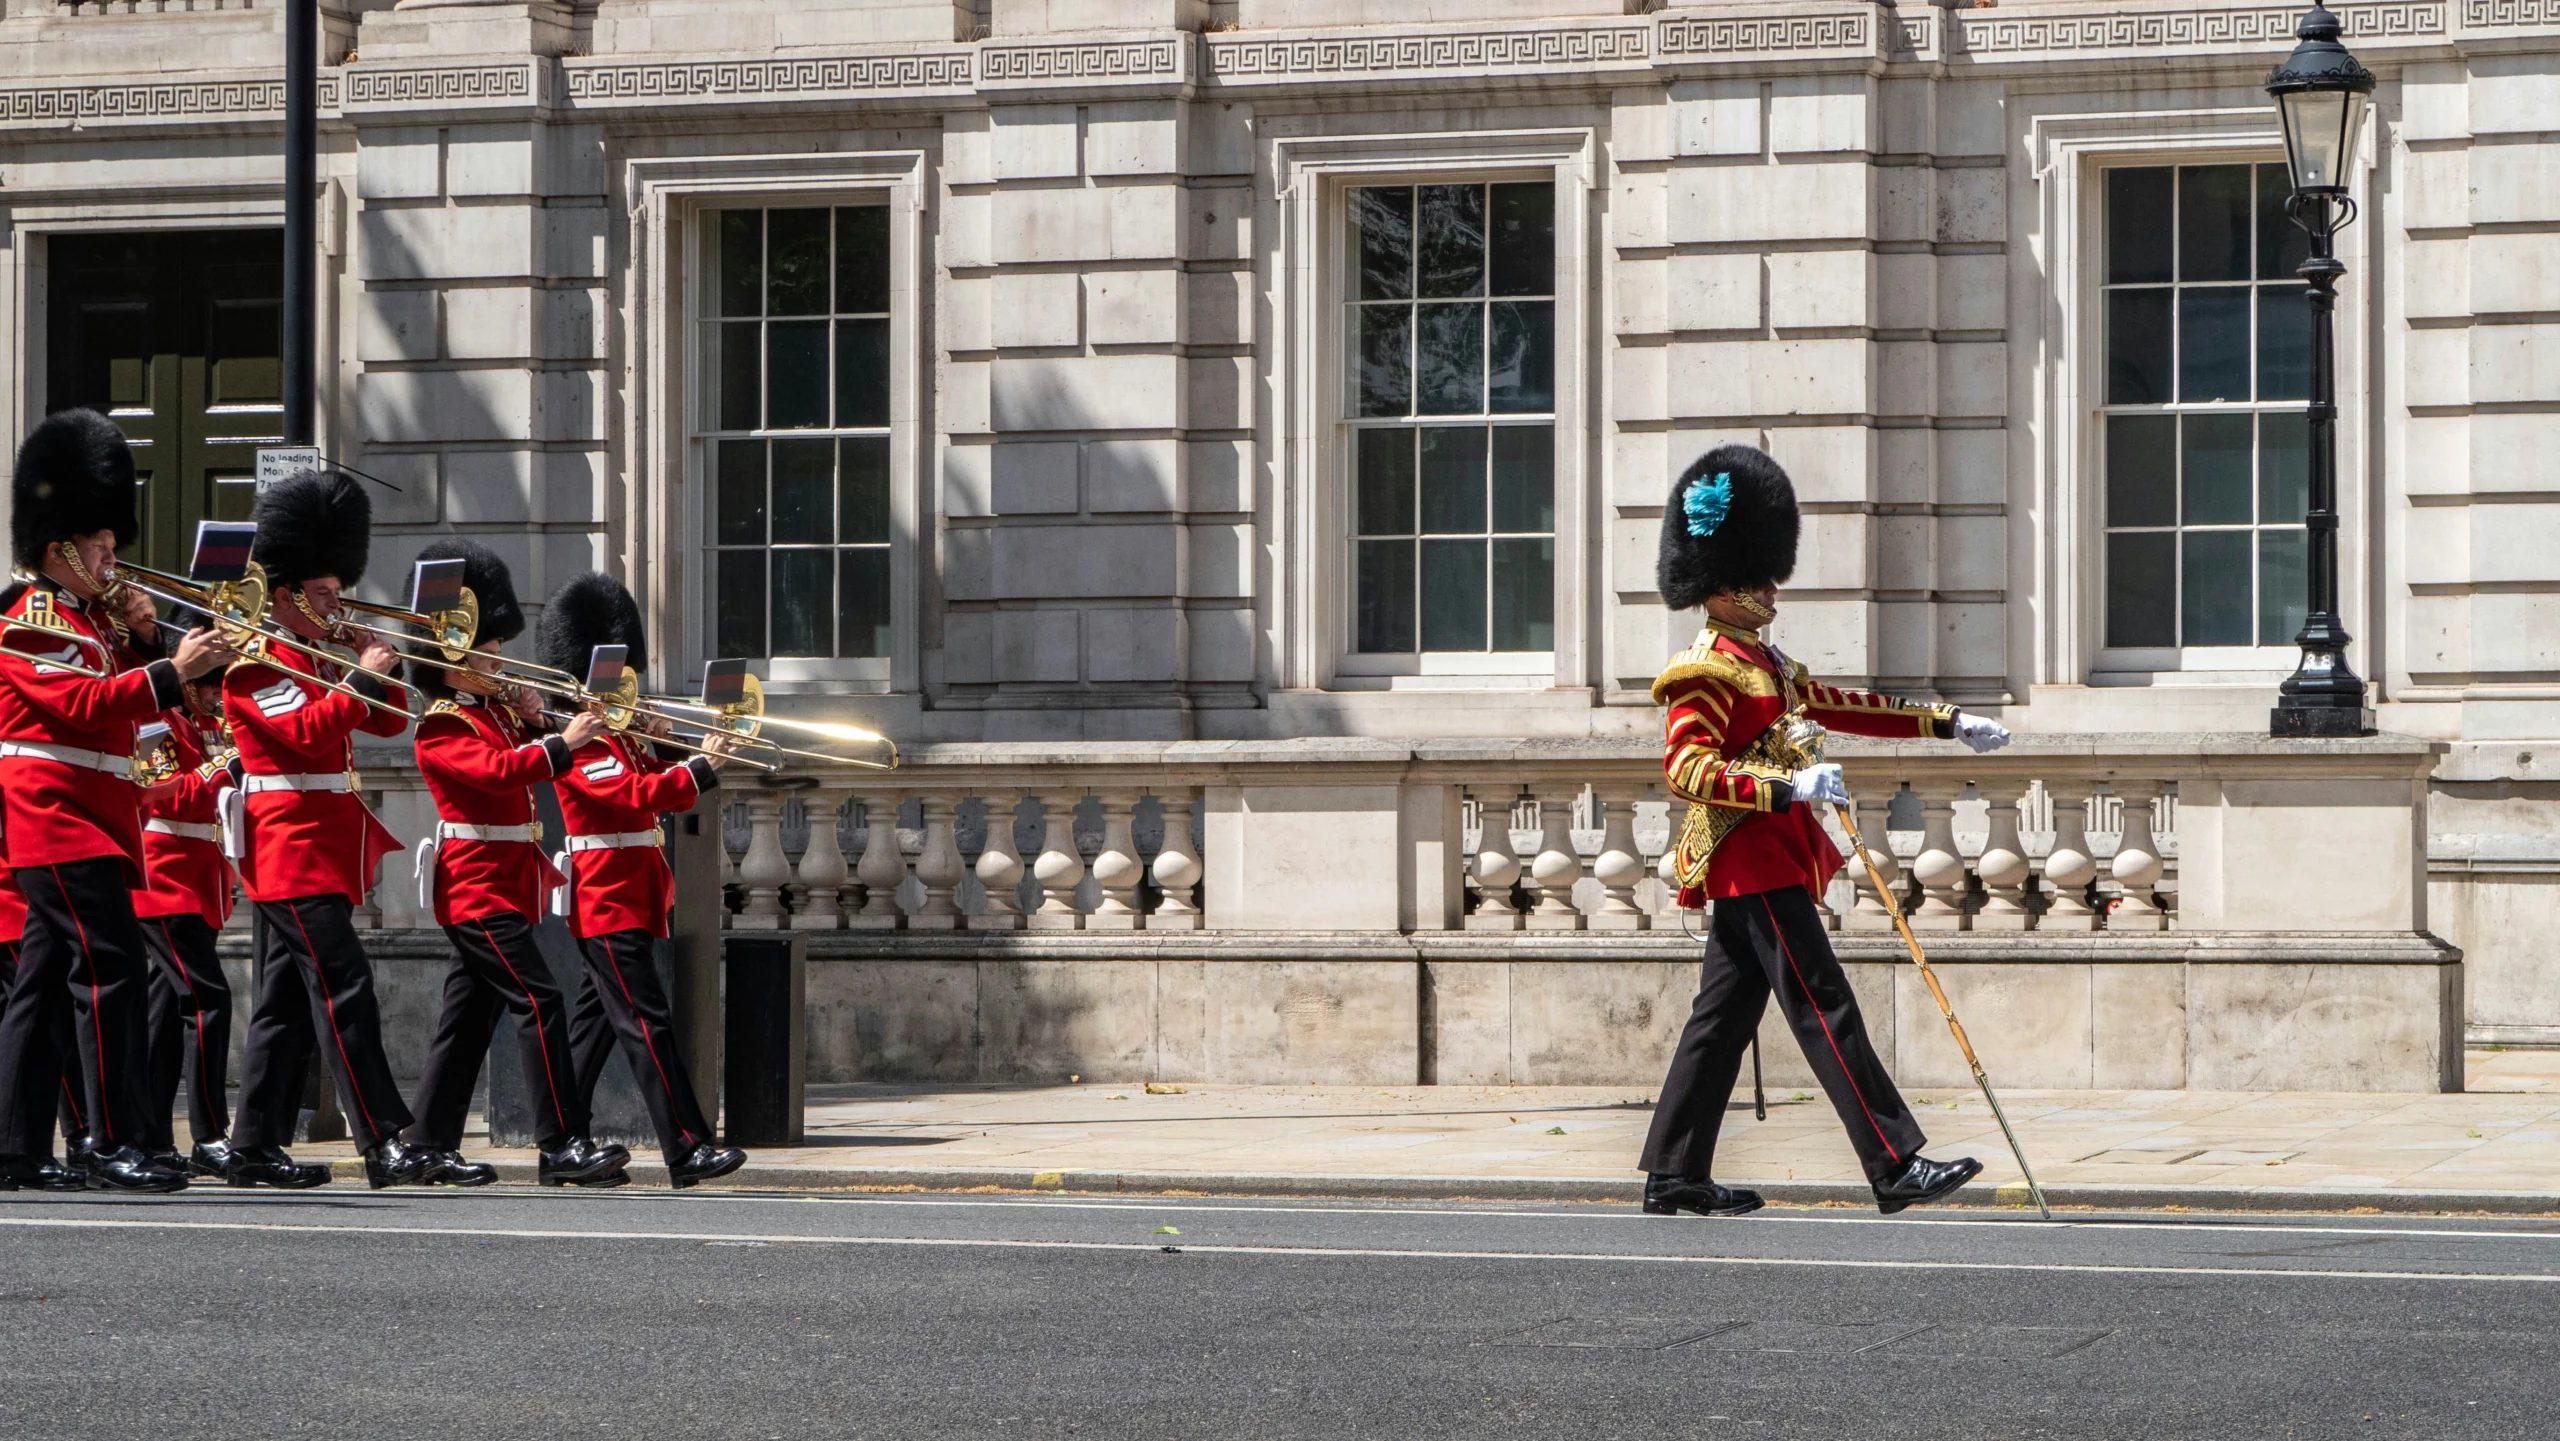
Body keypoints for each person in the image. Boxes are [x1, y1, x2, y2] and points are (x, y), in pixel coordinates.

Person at [1638, 445, 2011, 1219]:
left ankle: (1675, 1171)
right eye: (1759, 570)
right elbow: (1687, 769)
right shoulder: (1704, 669)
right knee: (1825, 1004)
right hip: (1750, 857)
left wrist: (1946, 722)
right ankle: (1894, 1160)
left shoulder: (1765, 661)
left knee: (1721, 1020)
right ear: (1722, 580)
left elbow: (1845, 704)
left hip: (1765, 858)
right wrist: (1786, 785)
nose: (1773, 584)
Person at [0, 409, 235, 1192]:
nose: (110, 557)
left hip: (88, 813)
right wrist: (169, 667)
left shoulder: (84, 620)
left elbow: (119, 704)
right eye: (97, 546)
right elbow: (82, 707)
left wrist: (139, 641)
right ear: (57, 544)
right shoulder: (27, 617)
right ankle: (109, 1138)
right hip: (56, 812)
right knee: (112, 970)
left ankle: (20, 1145)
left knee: (39, 985)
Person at [399, 539, 628, 1188]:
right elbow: (498, 776)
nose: (498, 654)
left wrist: (534, 723)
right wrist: (558, 741)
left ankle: (426, 1143)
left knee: (465, 1023)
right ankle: (559, 1143)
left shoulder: (492, 714)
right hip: (474, 891)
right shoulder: (442, 724)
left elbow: (517, 757)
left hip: (502, 887)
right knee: (540, 998)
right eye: (485, 645)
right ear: (450, 656)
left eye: (496, 641)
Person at [222, 468, 421, 1190]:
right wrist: (357, 677)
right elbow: (306, 732)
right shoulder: (254, 659)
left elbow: (392, 721)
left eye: (339, 592)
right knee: (345, 988)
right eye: (327, 594)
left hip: (322, 845)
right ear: (285, 595)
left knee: (282, 1007)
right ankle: (384, 1139)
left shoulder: (320, 656)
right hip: (287, 848)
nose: (338, 604)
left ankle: (254, 1145)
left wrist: (377, 668)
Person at [540, 572, 745, 1190]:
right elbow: (636, 796)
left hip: (631, 894)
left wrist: (681, 745)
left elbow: (650, 771)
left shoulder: (617, 741)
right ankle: (685, 1147)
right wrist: (701, 768)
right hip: (605, 900)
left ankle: (561, 1147)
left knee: (591, 1031)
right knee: (647, 1023)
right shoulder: (577, 745)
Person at [132, 678, 240, 1179]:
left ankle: (151, 1136)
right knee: (208, 1000)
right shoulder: (156, 721)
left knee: (167, 1009)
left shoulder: (211, 724)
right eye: (210, 683)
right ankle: (209, 1134)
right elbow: (166, 796)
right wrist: (226, 765)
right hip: (165, 875)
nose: (219, 694)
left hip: (201, 875)